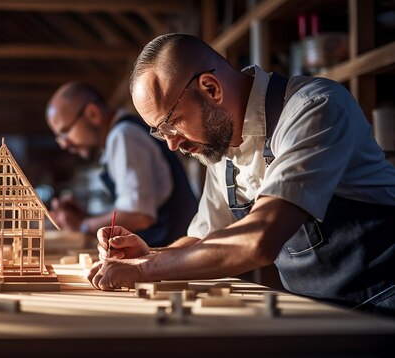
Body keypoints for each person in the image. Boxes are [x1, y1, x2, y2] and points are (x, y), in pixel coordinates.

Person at [88, 33, 395, 315]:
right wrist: (148, 254)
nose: (172, 144)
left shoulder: (314, 108)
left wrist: (147, 269)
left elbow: (258, 239)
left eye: (173, 123)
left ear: (211, 88)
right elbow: (202, 240)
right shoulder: (221, 147)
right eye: (160, 133)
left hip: (382, 308)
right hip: (321, 315)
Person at [46, 81, 198, 248]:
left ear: (92, 113)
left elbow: (138, 216)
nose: (65, 144)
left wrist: (82, 226)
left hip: (173, 252)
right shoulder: (118, 137)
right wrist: (83, 216)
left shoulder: (124, 136)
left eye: (65, 132)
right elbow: (130, 209)